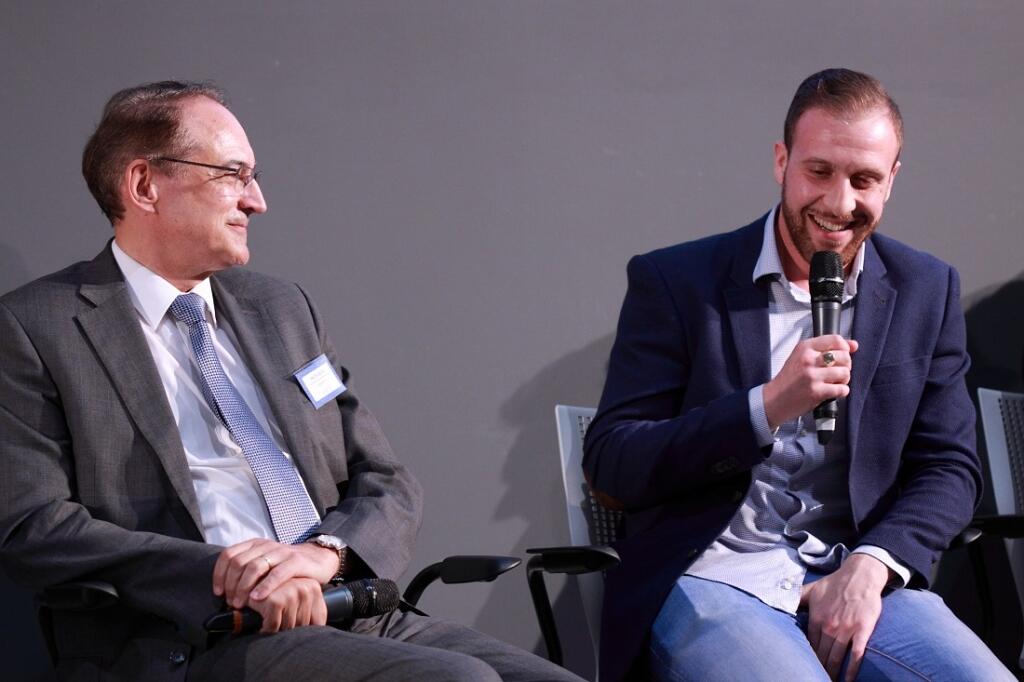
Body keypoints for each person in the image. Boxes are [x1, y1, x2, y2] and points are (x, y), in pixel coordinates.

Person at [0, 81, 582, 682]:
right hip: (202, 633)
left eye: (253, 177)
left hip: (352, 609)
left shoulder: (282, 309)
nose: (257, 201)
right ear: (145, 184)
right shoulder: (35, 327)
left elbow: (385, 477)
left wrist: (324, 555)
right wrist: (232, 573)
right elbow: (34, 525)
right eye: (233, 174)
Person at [583, 68, 1013, 681]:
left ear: (892, 180)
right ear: (782, 161)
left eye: (864, 179)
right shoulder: (678, 282)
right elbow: (611, 463)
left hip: (853, 573)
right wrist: (766, 406)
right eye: (819, 171)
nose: (839, 203)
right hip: (713, 573)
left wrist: (873, 564)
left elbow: (950, 467)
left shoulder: (926, 288)